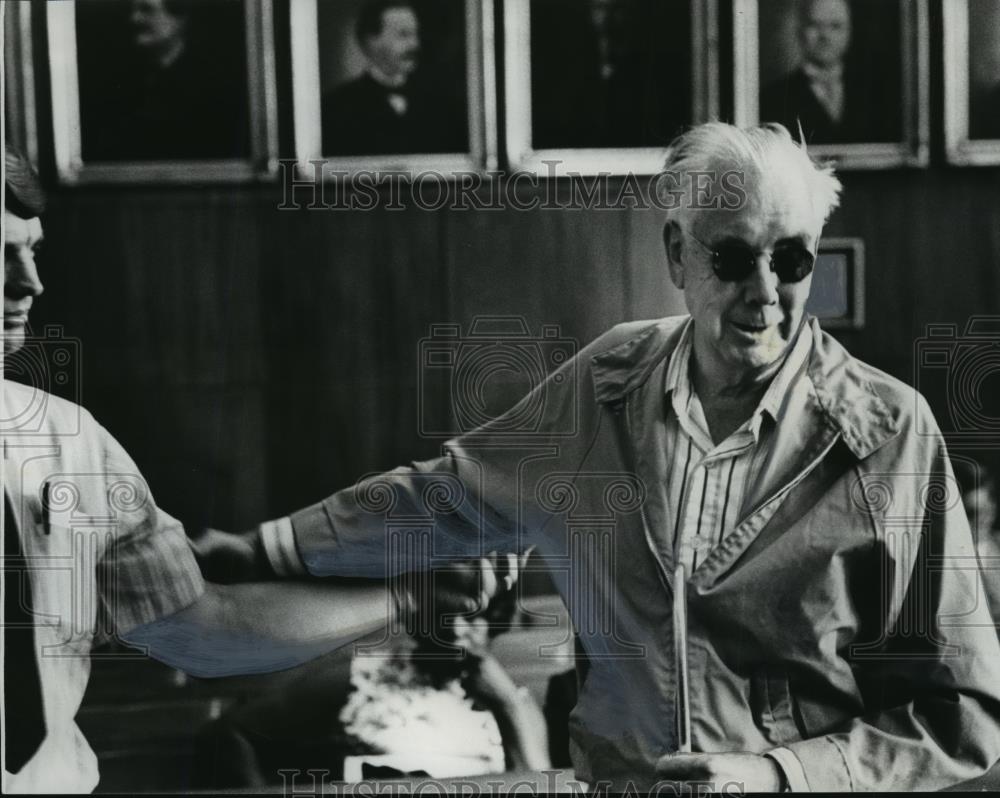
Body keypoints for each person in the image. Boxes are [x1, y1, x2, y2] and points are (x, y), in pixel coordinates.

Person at [203, 121, 1000, 791]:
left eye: (791, 260)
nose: (765, 291)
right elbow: (440, 498)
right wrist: (265, 546)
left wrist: (778, 775)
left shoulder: (889, 432)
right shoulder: (605, 384)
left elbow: (963, 718)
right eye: (732, 258)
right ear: (677, 256)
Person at [0, 146, 511, 792]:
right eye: (0, 253)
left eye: (32, 251)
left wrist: (410, 595)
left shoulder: (65, 444)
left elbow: (205, 629)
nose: (28, 283)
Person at [80, 0, 250, 161]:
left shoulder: (212, 84)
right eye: (133, 10)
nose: (134, 19)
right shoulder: (121, 82)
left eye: (147, 9)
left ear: (179, 19)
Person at [321, 0, 466, 156]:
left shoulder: (444, 104)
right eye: (403, 35)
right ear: (372, 41)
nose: (415, 44)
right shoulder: (336, 108)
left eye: (415, 34)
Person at [759, 0, 897, 145]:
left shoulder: (877, 92)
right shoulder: (773, 98)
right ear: (799, 31)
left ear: (849, 31)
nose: (825, 36)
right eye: (815, 25)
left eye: (835, 26)